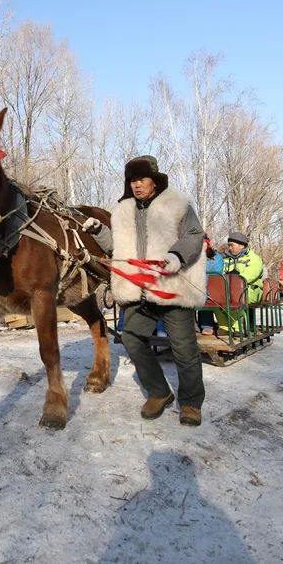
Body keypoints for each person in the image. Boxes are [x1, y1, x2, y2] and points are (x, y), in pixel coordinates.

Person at [83, 155, 206, 426]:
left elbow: (194, 235)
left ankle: (191, 403)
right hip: (139, 289)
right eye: (132, 180)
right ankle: (160, 392)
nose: (137, 185)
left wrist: (176, 256)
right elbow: (118, 248)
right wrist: (98, 231)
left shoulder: (178, 204)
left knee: (184, 349)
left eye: (141, 179)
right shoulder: (123, 210)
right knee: (131, 339)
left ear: (154, 181)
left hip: (172, 286)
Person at [218, 231, 263, 333]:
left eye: (231, 245)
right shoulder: (226, 259)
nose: (229, 248)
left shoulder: (253, 259)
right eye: (229, 245)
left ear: (242, 245)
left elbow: (249, 276)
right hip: (229, 290)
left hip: (249, 290)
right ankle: (225, 327)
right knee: (216, 301)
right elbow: (220, 273)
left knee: (235, 300)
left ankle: (240, 327)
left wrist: (232, 279)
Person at [197, 236, 223, 335]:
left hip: (211, 286)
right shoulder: (193, 256)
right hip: (196, 285)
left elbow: (216, 273)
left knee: (204, 293)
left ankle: (206, 325)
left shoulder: (216, 257)